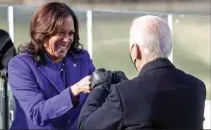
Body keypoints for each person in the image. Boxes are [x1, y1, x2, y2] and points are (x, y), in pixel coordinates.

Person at [78, 15, 206, 129]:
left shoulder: (125, 94)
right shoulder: (196, 87)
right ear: (169, 47)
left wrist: (99, 87)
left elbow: (86, 125)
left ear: (135, 50)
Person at [8, 2, 95, 130]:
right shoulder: (20, 65)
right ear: (42, 33)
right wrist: (74, 91)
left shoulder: (82, 58)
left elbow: (97, 96)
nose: (67, 40)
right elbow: (36, 113)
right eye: (60, 33)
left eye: (70, 33)